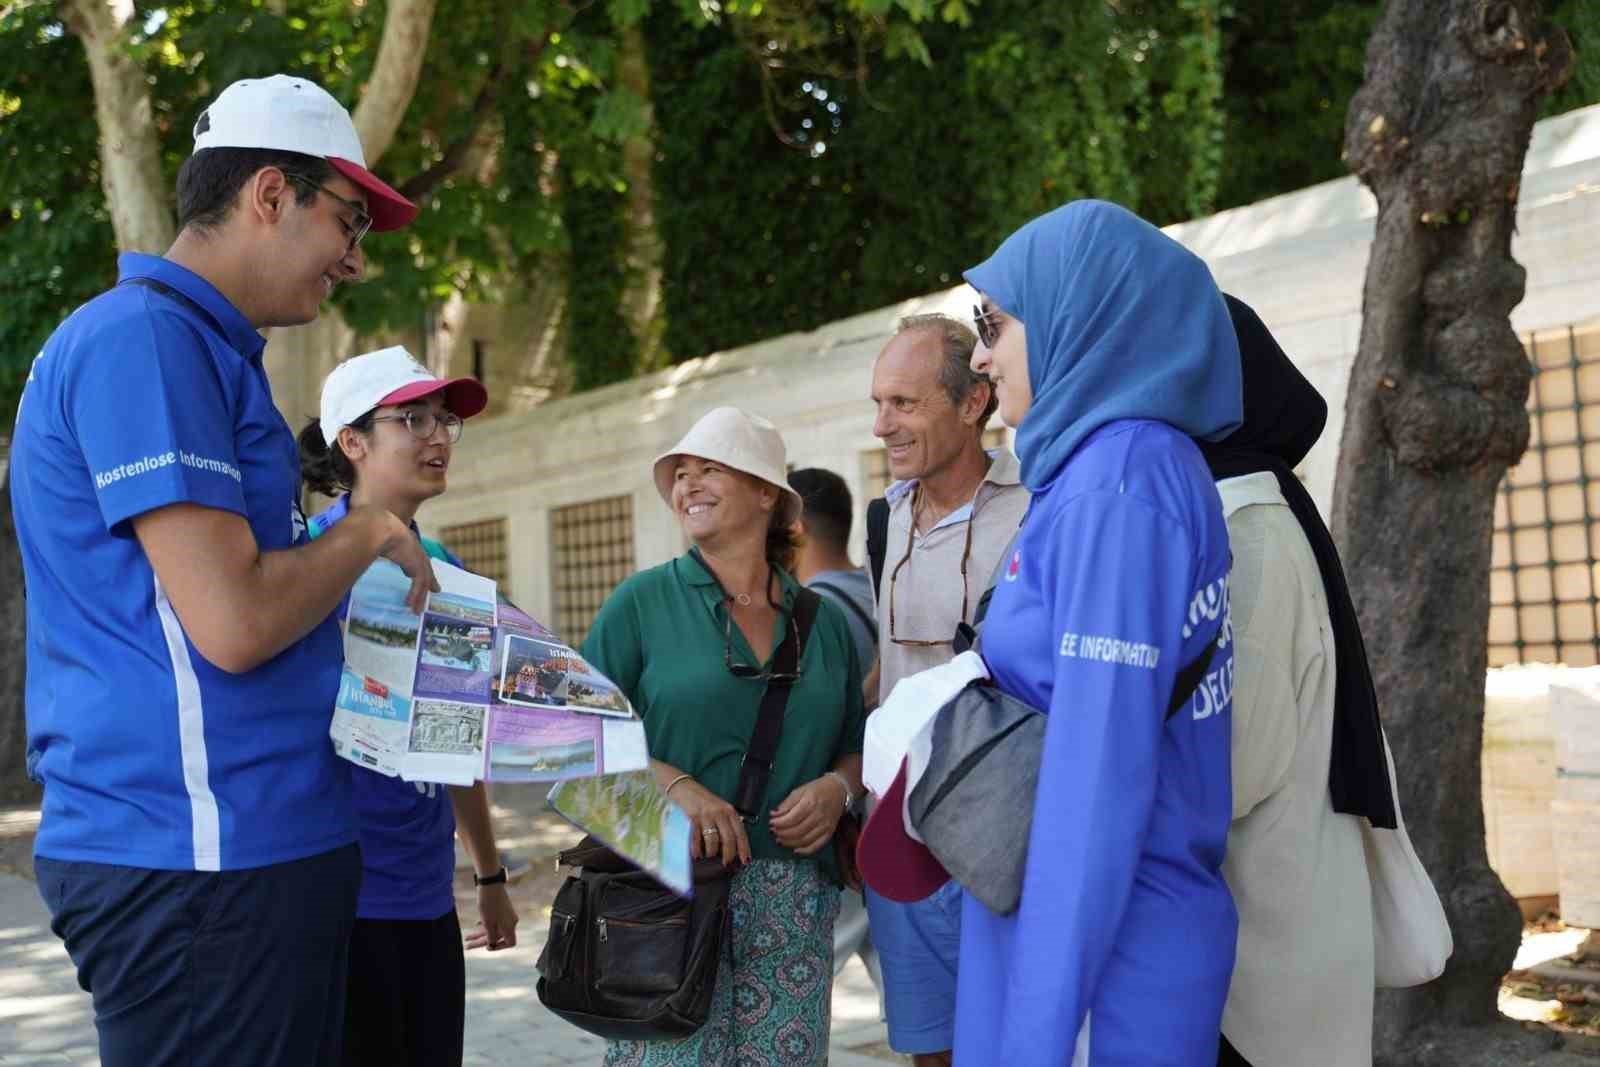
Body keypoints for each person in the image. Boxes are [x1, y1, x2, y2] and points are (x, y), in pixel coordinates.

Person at [11, 75, 432, 1067]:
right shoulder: (145, 339)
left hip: (234, 848)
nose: (357, 259)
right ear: (270, 194)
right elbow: (234, 620)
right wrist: (365, 528)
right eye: (349, 219)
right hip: (199, 853)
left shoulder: (193, 345)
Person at [958, 199, 1243, 1064]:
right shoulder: (1121, 467)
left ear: (1077, 313)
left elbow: (1095, 784)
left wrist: (1036, 1033)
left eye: (995, 323)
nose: (979, 353)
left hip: (1100, 962)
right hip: (1100, 932)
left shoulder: (1117, 483)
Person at [583, 407, 867, 1067]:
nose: (688, 484)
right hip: (667, 890)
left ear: (766, 493)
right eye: (680, 474)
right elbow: (574, 734)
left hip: (795, 896)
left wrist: (837, 787)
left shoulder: (820, 621)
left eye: (710, 467)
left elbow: (857, 742)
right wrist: (675, 786)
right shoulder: (640, 603)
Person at [298, 346, 523, 1067]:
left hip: (426, 903)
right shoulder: (299, 560)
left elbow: (454, 739)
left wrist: (488, 876)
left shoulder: (450, 574)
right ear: (353, 441)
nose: (436, 435)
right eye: (413, 418)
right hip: (331, 902)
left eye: (444, 420)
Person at [1201, 296, 1396, 1067]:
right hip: (1273, 933)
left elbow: (1236, 766)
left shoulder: (1248, 537)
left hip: (1265, 955)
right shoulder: (1248, 515)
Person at [864, 314, 1029, 1067]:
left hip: (998, 833)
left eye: (903, 403)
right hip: (900, 831)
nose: (881, 426)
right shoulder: (883, 519)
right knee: (929, 1050)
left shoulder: (1036, 508)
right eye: (878, 403)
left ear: (973, 403)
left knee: (1016, 1045)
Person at [787, 467, 885, 1003]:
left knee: (783, 997)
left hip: (840, 839)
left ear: (793, 527)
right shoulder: (880, 591)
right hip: (897, 827)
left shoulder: (810, 612)